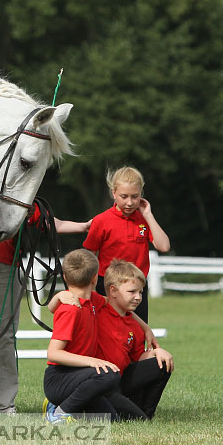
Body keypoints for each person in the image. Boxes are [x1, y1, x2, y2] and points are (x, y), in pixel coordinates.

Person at [0, 163, 90, 419]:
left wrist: (86, 226)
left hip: (8, 260)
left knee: (5, 335)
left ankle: (3, 404)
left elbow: (42, 218)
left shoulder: (11, 175)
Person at [49, 259, 173, 420]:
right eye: (132, 292)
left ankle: (145, 414)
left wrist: (157, 352)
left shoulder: (134, 325)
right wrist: (60, 295)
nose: (138, 297)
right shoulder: (96, 307)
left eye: (141, 292)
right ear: (113, 291)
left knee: (162, 363)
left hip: (118, 380)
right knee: (114, 417)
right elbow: (71, 299)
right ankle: (61, 406)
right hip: (98, 381)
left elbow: (136, 358)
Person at [42, 249, 123, 424]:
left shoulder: (93, 300)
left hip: (82, 378)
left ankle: (63, 405)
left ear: (64, 276)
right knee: (110, 374)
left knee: (111, 420)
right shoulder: (71, 309)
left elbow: (117, 305)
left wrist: (145, 328)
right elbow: (53, 354)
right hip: (59, 378)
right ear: (95, 278)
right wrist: (91, 361)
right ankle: (58, 413)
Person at [82, 166, 170, 322]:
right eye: (124, 196)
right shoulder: (101, 220)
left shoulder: (145, 219)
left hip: (137, 286)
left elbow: (164, 246)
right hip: (108, 287)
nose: (129, 202)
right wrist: (88, 287)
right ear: (114, 193)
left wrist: (148, 215)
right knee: (109, 335)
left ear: (141, 194)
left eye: (135, 197)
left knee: (137, 335)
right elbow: (89, 256)